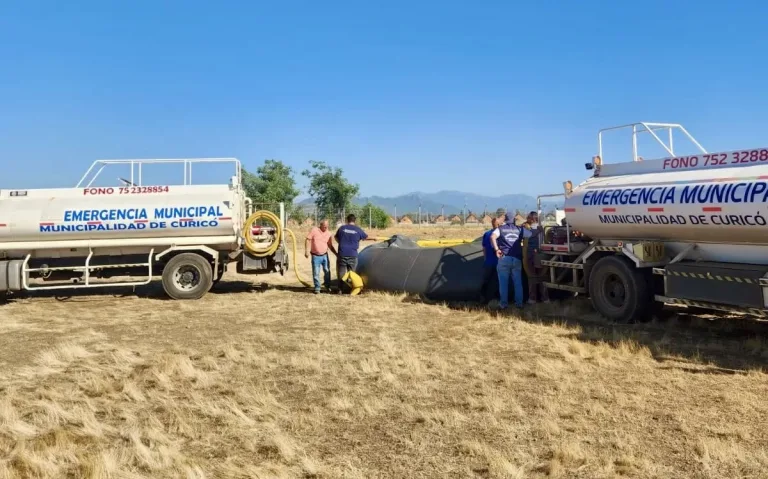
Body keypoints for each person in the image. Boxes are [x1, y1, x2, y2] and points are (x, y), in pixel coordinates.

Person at [490, 213, 542, 310]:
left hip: (504, 258)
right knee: (518, 283)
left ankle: (503, 304)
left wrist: (497, 249)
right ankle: (519, 304)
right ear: (514, 219)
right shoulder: (519, 229)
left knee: (503, 283)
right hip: (517, 259)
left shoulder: (500, 229)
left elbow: (492, 237)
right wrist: (539, 230)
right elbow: (531, 234)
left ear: (505, 219)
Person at [334, 214, 374, 291]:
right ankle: (351, 288)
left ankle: (340, 289)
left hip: (342, 253)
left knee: (341, 272)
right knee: (352, 273)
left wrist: (340, 242)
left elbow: (335, 237)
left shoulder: (342, 228)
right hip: (353, 254)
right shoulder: (357, 229)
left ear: (347, 220)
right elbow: (366, 237)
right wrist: (375, 238)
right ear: (354, 220)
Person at [305, 220, 336, 294]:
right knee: (316, 272)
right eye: (324, 226)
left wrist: (336, 253)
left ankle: (327, 286)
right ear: (320, 225)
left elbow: (330, 245)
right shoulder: (314, 230)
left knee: (327, 271)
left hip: (325, 255)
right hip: (315, 256)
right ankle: (317, 288)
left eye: (327, 226)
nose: (326, 227)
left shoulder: (328, 233)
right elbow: (308, 239)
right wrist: (306, 250)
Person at [525, 211, 549, 304]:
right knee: (542, 277)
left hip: (532, 255)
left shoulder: (529, 229)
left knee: (532, 277)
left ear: (532, 219)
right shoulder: (541, 228)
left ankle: (532, 299)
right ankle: (545, 298)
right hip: (542, 254)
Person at [480, 217, 500, 304]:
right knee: (498, 281)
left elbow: (484, 248)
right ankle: (497, 298)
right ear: (498, 225)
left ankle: (483, 297)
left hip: (489, 262)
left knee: (486, 280)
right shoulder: (500, 234)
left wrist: (485, 259)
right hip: (498, 262)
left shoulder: (486, 234)